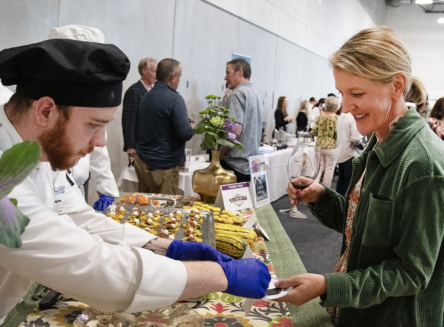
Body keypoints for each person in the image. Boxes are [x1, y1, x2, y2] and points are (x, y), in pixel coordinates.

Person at [0, 39, 270, 323]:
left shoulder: (36, 150)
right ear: (45, 111)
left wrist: (163, 245)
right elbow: (95, 268)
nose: (101, 141)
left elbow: (76, 215)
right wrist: (221, 276)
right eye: (94, 124)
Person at [277, 26, 444, 327]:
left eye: (357, 93)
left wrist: (330, 286)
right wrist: (322, 197)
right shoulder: (379, 139)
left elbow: (411, 273)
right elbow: (364, 229)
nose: (346, 106)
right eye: (342, 93)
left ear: (397, 85)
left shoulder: (423, 165)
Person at [47, 24, 119, 210]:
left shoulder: (92, 99)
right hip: (45, 189)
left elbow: (97, 146)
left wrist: (106, 189)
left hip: (73, 187)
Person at [134, 58, 193, 194]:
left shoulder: (146, 96)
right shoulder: (174, 99)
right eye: (179, 77)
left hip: (143, 161)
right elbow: (185, 133)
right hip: (164, 164)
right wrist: (191, 126)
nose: (179, 81)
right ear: (173, 78)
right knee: (164, 211)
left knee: (145, 207)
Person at [221, 58, 264, 182]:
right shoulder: (257, 95)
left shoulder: (236, 95)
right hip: (252, 166)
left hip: (235, 165)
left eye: (228, 73)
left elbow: (234, 132)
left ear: (240, 72)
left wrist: (219, 154)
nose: (225, 77)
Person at [122, 57, 158, 163]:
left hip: (153, 146)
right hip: (139, 146)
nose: (157, 75)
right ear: (144, 71)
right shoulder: (134, 91)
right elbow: (128, 121)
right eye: (154, 71)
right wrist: (130, 145)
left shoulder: (155, 91)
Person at [311, 96, 340, 188]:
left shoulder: (320, 117)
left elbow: (314, 132)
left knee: (318, 168)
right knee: (329, 169)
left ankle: (313, 187)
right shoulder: (337, 118)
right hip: (331, 146)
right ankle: (325, 190)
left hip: (319, 146)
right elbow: (337, 134)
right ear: (336, 106)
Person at [335, 109, 363, 197]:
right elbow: (356, 139)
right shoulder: (352, 118)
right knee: (349, 184)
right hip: (349, 154)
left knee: (341, 182)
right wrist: (364, 147)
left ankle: (338, 205)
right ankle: (345, 207)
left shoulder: (341, 116)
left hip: (340, 153)